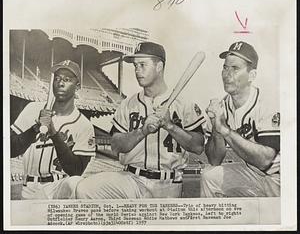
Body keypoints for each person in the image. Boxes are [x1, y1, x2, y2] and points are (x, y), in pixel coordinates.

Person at [69, 41, 206, 199]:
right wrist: (142, 131)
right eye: (135, 66)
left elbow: (198, 146)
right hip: (132, 179)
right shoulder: (128, 104)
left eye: (142, 65)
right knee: (85, 189)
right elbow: (116, 145)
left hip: (169, 183)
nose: (137, 71)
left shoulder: (184, 104)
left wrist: (170, 126)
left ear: (159, 66)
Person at [200, 41, 280, 197]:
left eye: (235, 68)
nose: (227, 74)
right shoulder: (221, 106)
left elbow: (265, 160)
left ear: (252, 75)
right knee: (209, 176)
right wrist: (217, 128)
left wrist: (226, 130)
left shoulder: (268, 103)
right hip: (251, 173)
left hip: (280, 177)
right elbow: (214, 160)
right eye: (225, 68)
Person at [10, 60, 96, 199]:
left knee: (75, 183)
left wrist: (54, 134)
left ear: (77, 86)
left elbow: (76, 170)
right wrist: (35, 128)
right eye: (57, 78)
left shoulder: (84, 125)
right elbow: (11, 149)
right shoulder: (33, 109)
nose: (60, 83)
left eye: (67, 80)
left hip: (58, 187)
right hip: (29, 186)